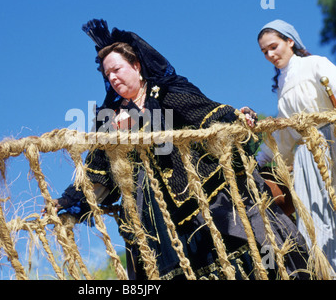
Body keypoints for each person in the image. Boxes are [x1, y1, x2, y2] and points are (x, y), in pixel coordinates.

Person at [49, 19, 309, 280]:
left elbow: (208, 114)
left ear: (137, 66)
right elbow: (99, 173)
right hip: (154, 220)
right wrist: (67, 201)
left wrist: (236, 120)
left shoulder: (167, 92)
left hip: (204, 199)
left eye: (117, 69)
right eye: (108, 75)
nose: (113, 77)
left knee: (249, 260)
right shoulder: (110, 119)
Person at [256, 19, 336, 272]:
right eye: (264, 51)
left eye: (274, 46)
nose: (270, 54)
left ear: (290, 41)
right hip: (304, 161)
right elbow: (286, 135)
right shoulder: (281, 84)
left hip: (330, 145)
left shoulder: (316, 64)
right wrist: (259, 161)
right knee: (315, 223)